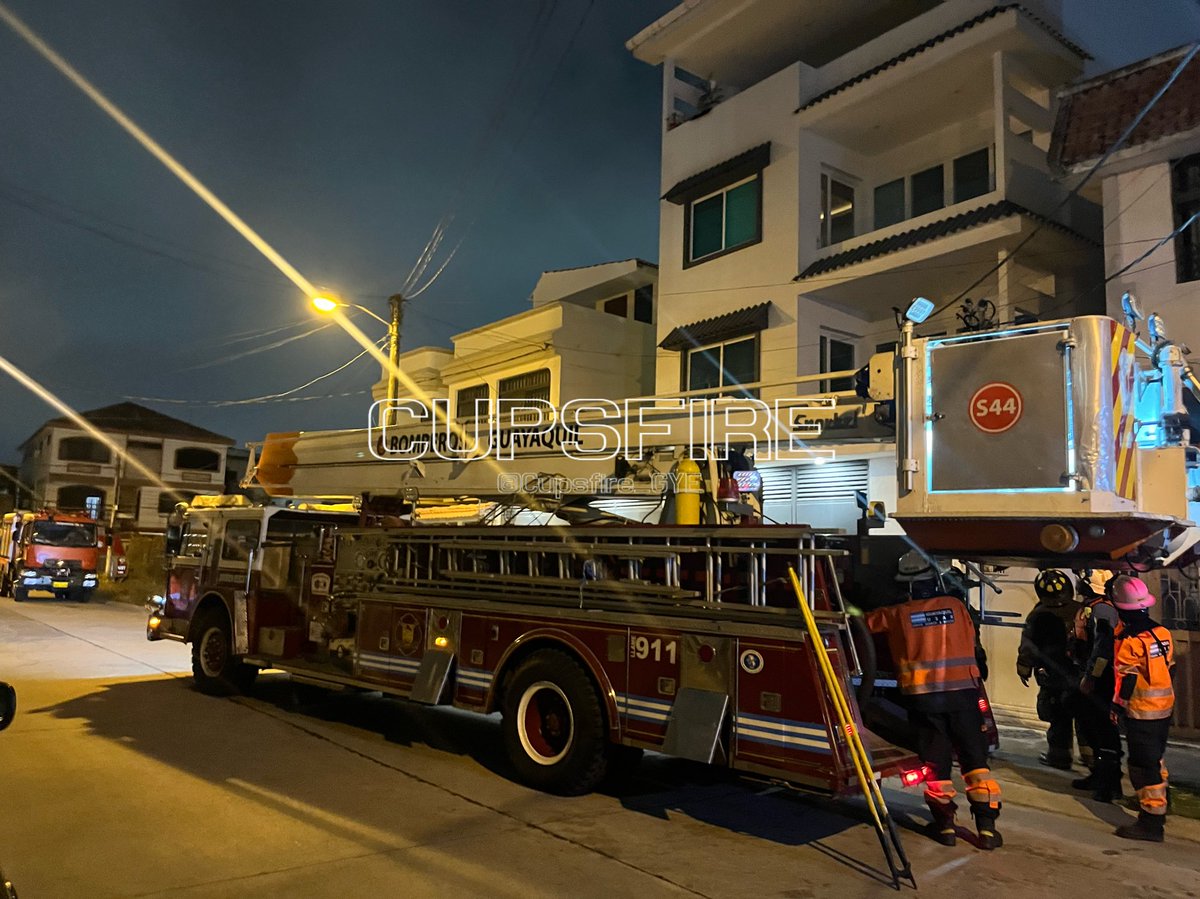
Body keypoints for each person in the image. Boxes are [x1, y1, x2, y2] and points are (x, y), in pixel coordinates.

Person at [866, 550, 1001, 849]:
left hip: (924, 701)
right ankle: (987, 829)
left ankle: (945, 828)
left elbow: (863, 625)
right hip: (965, 696)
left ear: (908, 585)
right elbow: (971, 640)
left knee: (937, 768)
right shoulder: (956, 606)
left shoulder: (897, 614)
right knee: (976, 764)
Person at [1109, 575, 1175, 842]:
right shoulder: (1161, 633)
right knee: (1155, 758)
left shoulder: (1130, 641)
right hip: (1164, 708)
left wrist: (1117, 706)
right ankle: (1162, 802)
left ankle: (1151, 822)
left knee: (1142, 765)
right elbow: (1171, 669)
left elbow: (1128, 678)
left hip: (1142, 711)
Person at [1016, 569, 1081, 769]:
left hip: (1052, 675)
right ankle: (1092, 759)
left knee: (1058, 716)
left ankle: (1059, 757)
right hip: (1080, 674)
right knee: (1084, 716)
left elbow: (1028, 645)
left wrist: (1024, 667)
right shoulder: (1080, 609)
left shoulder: (1038, 613)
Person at [1070, 568, 1123, 801]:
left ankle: (1110, 785)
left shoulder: (1102, 611)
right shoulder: (1093, 607)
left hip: (1102, 682)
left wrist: (1092, 677)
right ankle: (1099, 776)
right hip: (1090, 676)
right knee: (1091, 727)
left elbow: (1102, 650)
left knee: (1105, 732)